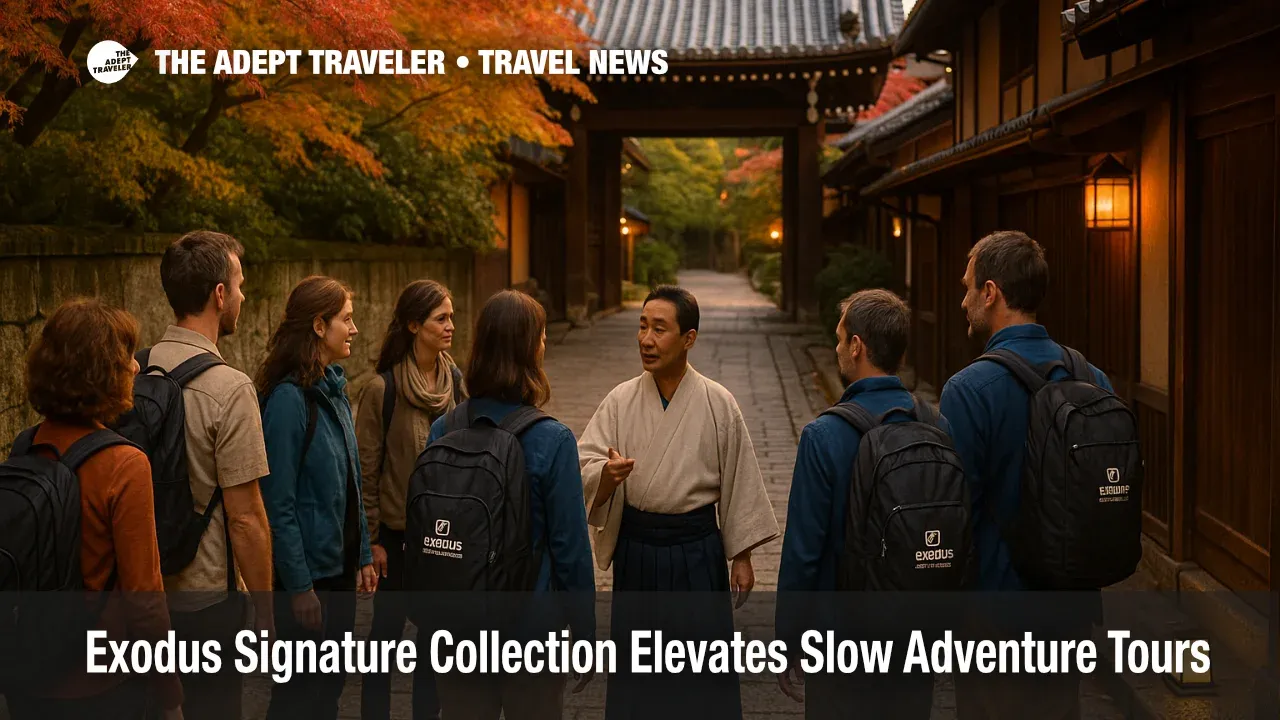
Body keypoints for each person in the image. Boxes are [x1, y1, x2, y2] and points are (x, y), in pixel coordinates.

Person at [578, 285, 780, 720]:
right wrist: (606, 478)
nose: (646, 339)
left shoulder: (717, 402)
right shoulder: (621, 399)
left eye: (660, 329)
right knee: (638, 676)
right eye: (643, 326)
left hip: (696, 551)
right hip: (639, 548)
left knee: (700, 675)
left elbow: (739, 476)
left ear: (688, 338)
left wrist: (741, 555)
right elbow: (585, 461)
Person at [939, 231, 1113, 720]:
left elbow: (958, 512)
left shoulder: (969, 389)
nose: (963, 300)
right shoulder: (1093, 378)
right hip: (1072, 602)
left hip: (996, 608)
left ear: (991, 292)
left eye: (969, 287)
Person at [3, 299, 184, 720]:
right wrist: (169, 693)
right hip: (100, 686)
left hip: (28, 678)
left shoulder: (25, 446)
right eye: (125, 357)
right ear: (102, 372)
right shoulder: (125, 464)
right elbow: (145, 601)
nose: (136, 367)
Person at [425, 289, 595, 720]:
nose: (543, 344)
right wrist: (584, 628)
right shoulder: (551, 439)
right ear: (528, 348)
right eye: (539, 337)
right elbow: (569, 547)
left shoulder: (444, 428)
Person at [776, 289, 943, 719]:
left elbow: (804, 549)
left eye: (838, 338)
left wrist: (789, 637)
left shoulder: (824, 435)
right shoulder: (933, 422)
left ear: (857, 346)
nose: (835, 348)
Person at [148, 230, 274, 720]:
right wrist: (264, 611)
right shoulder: (231, 388)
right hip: (206, 603)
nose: (243, 295)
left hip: (146, 592)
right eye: (239, 284)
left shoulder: (137, 371)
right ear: (219, 295)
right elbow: (246, 519)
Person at [256, 276, 378, 720]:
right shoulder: (289, 400)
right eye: (346, 319)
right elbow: (278, 504)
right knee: (297, 699)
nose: (355, 328)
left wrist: (362, 552)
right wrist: (299, 586)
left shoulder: (334, 389)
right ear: (318, 325)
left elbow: (351, 482)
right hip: (310, 583)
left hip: (339, 574)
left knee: (328, 693)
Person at [357, 279, 464, 720]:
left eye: (451, 317)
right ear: (413, 324)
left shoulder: (454, 380)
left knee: (435, 640)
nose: (451, 326)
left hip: (441, 536)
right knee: (384, 638)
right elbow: (366, 471)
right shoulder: (382, 390)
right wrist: (374, 541)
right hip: (397, 538)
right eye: (441, 318)